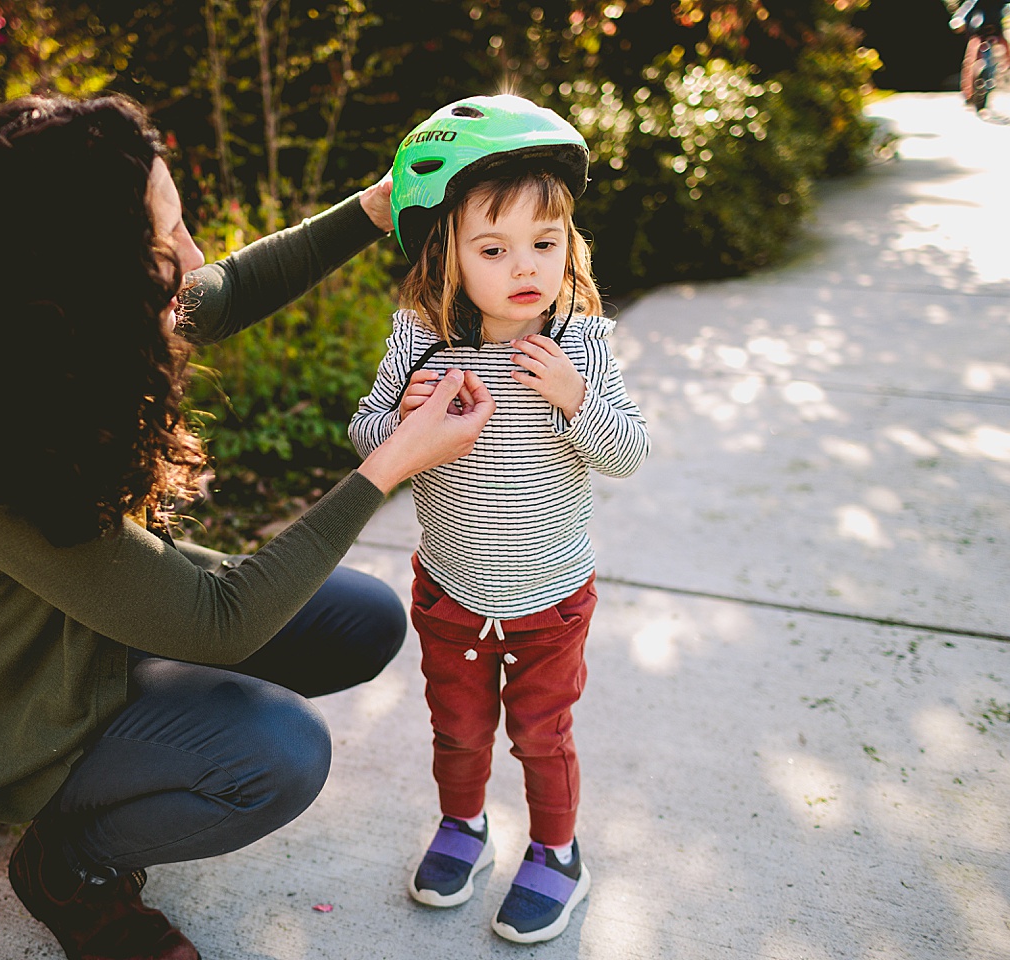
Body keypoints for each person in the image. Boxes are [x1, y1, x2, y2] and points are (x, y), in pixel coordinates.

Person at [0, 93, 496, 960]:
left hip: (90, 626)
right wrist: (389, 463)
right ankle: (67, 861)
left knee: (363, 619)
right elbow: (218, 623)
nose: (192, 259)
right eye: (167, 243)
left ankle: (144, 760)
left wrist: (372, 209)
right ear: (81, 274)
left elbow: (223, 292)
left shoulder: (55, 334)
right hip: (19, 720)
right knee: (278, 753)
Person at [350, 94, 650, 945]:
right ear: (447, 252)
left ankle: (557, 852)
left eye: (545, 244)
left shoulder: (580, 345)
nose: (527, 266)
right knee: (456, 728)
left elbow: (627, 452)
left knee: (543, 736)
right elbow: (366, 440)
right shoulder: (420, 337)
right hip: (451, 592)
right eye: (495, 248)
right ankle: (464, 827)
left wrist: (574, 401)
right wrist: (401, 417)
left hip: (550, 599)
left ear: (568, 248)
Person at [954, 0, 1010, 103]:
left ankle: (1009, 67)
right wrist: (959, 19)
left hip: (995, 29)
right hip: (980, 31)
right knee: (970, 59)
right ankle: (967, 90)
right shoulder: (976, 1)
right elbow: (966, 9)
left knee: (1005, 46)